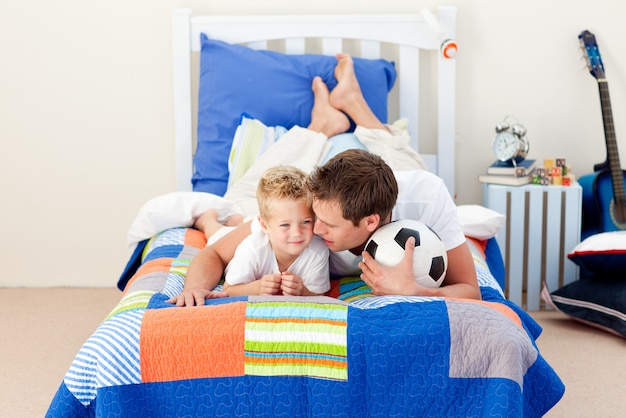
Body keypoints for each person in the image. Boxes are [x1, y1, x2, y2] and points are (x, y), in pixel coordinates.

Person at [168, 53, 480, 307]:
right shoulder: (304, 216)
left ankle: (353, 103)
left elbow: (470, 290)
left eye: (327, 225)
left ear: (370, 223)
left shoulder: (426, 197)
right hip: (341, 172)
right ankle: (322, 124)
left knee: (402, 156)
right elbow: (214, 253)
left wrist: (415, 291)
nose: (313, 229)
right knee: (245, 193)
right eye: (315, 217)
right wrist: (194, 289)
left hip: (390, 179)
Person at [213, 165, 329, 297]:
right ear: (264, 225)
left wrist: (303, 292)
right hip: (232, 245)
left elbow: (319, 294)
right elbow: (228, 290)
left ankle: (236, 220)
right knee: (215, 233)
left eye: (305, 222)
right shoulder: (252, 248)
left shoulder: (317, 250)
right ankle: (208, 220)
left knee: (236, 223)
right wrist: (256, 288)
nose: (297, 233)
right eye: (285, 225)